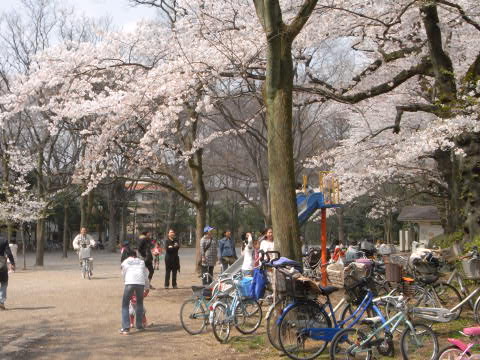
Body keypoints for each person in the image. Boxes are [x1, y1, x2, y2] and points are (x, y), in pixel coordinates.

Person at [120, 248, 149, 335]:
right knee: (139, 303)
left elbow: (123, 274)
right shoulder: (141, 262)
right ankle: (139, 326)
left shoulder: (125, 262)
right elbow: (145, 275)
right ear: (135, 255)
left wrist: (126, 281)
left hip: (129, 282)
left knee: (125, 305)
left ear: (128, 255)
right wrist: (147, 287)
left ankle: (126, 328)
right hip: (140, 283)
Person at [0, 236, 15, 310]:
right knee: (4, 282)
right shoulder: (4, 240)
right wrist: (12, 263)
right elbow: (8, 253)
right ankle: (1, 301)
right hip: (1, 263)